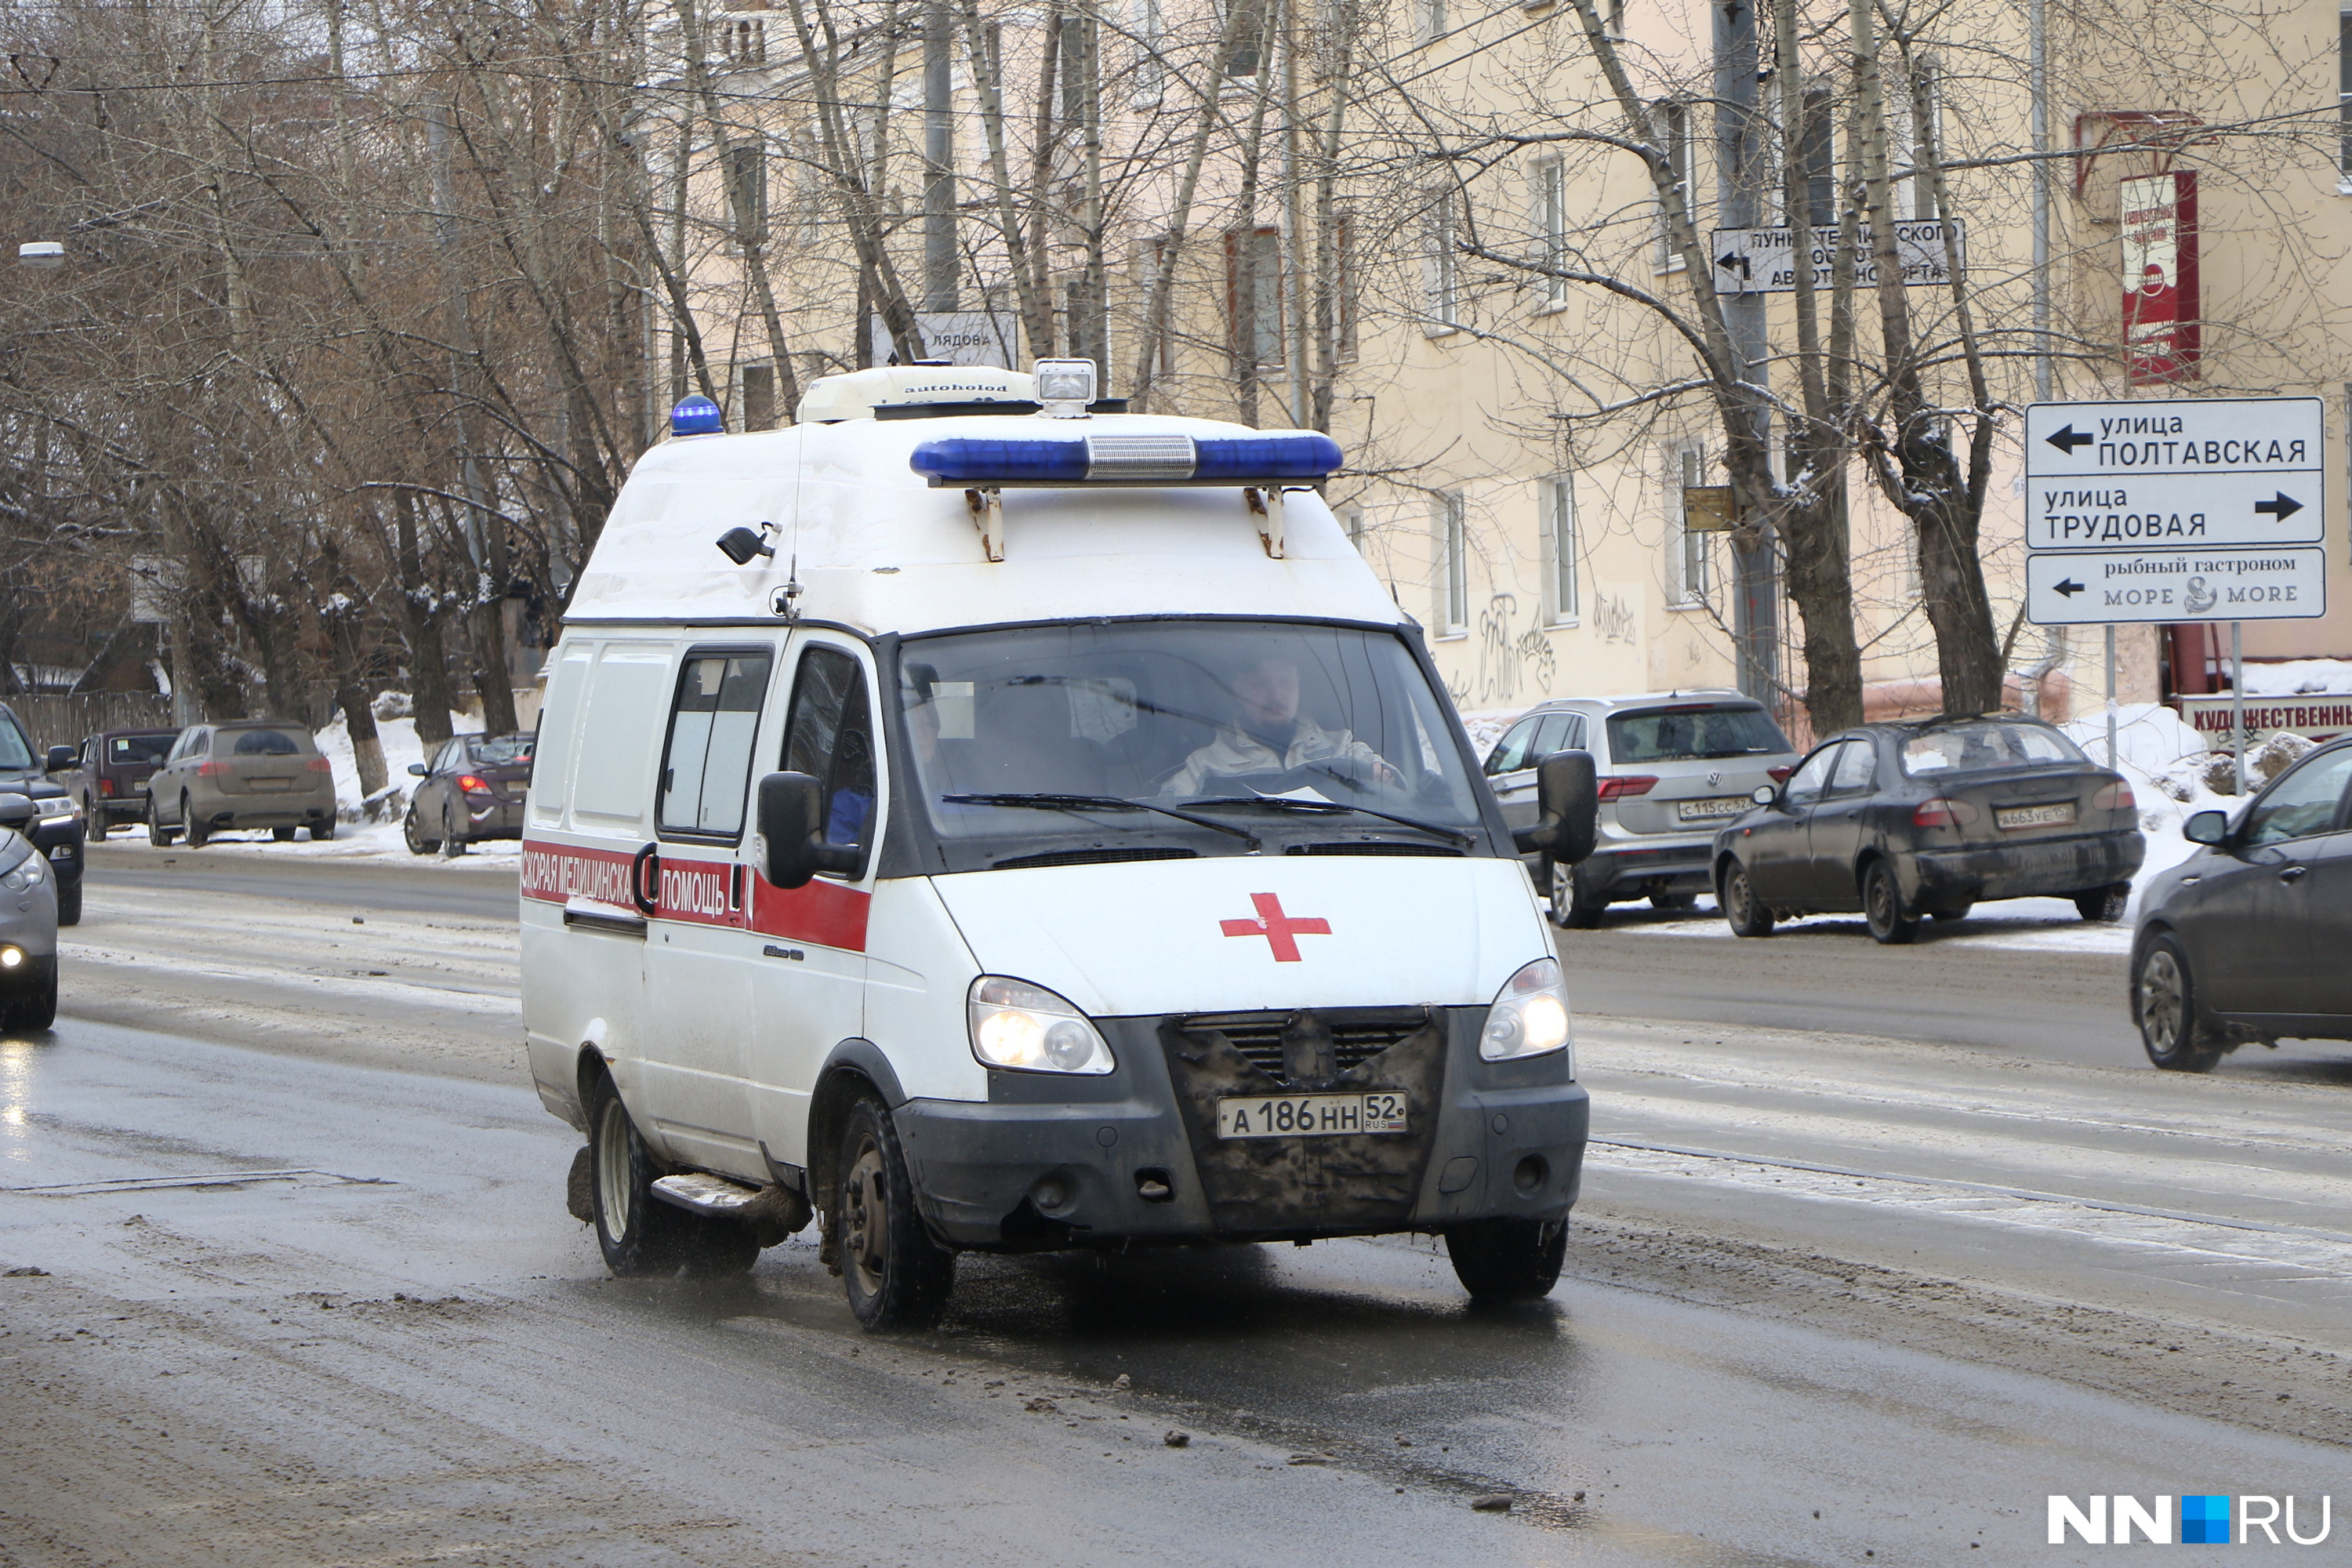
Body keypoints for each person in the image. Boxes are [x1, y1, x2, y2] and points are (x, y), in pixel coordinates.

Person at [1161, 654, 1399, 797]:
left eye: (1285, 683)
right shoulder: (1206, 765)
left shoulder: (1343, 747)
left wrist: (1382, 776)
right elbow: (1165, 816)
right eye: (1259, 684)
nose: (1276, 695)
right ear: (1237, 689)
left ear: (1298, 686)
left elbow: (1390, 780)